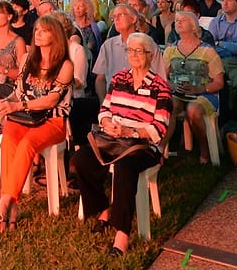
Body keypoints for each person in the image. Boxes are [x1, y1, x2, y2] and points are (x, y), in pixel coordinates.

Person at [73, 32, 171, 258]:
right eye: (130, 50)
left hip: (142, 145)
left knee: (125, 167)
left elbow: (159, 129)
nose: (134, 55)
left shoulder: (160, 87)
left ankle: (122, 233)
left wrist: (130, 131)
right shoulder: (118, 79)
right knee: (81, 160)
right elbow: (104, 110)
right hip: (112, 140)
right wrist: (107, 123)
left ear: (150, 54)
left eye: (139, 51)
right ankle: (103, 209)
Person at [0, 14, 74, 234]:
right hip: (25, 117)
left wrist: (16, 107)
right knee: (7, 140)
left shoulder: (65, 65)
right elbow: (18, 93)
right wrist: (5, 103)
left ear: (55, 36)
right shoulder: (27, 59)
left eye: (44, 31)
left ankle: (4, 203)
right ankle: (13, 204)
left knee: (27, 144)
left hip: (52, 120)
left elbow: (52, 100)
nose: (38, 33)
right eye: (37, 30)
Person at [163, 10, 224, 163]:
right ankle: (161, 149)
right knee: (168, 107)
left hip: (204, 93)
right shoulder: (170, 50)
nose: (178, 23)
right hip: (178, 92)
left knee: (193, 110)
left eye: (182, 20)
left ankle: (204, 148)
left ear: (193, 26)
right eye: (177, 20)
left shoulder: (207, 51)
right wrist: (172, 85)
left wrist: (199, 89)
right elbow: (163, 77)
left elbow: (219, 82)